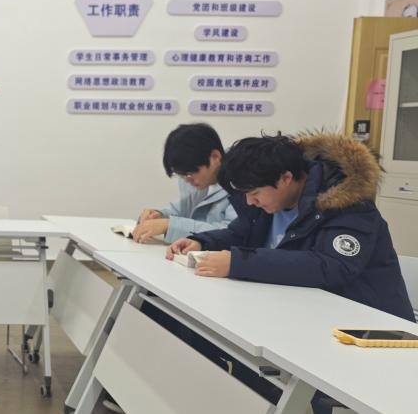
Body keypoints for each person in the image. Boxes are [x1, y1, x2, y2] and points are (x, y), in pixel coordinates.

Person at [167, 132, 413, 321]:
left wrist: (238, 263)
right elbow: (240, 233)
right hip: (304, 316)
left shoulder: (347, 203)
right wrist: (203, 242)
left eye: (254, 193)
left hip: (369, 328)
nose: (250, 202)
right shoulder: (269, 202)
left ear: (285, 178)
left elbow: (331, 266)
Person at [132, 123, 236, 243]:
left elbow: (230, 233)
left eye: (190, 173)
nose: (187, 180)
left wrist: (169, 225)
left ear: (215, 157)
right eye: (181, 175)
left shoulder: (240, 183)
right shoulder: (194, 179)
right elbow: (182, 209)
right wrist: (159, 215)